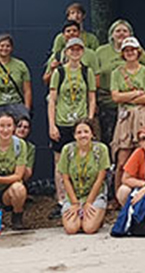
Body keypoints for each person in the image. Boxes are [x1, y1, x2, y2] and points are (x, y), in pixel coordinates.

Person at [47, 37, 97, 217]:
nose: (75, 52)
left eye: (78, 49)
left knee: (83, 159)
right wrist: (52, 125)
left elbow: (92, 98)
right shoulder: (59, 72)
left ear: (83, 51)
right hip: (62, 122)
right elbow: (52, 100)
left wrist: (89, 120)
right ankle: (62, 200)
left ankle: (82, 200)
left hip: (81, 123)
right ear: (66, 51)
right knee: (60, 163)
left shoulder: (87, 72)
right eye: (72, 49)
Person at [110, 37, 145, 195]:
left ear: (138, 52)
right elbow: (115, 97)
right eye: (127, 50)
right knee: (122, 159)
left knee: (144, 154)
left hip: (143, 115)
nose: (130, 53)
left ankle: (143, 193)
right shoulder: (117, 73)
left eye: (133, 50)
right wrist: (136, 93)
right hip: (125, 118)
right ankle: (119, 195)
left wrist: (126, 97)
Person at [95, 19, 145, 145]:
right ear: (111, 34)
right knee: (109, 137)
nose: (121, 33)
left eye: (125, 31)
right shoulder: (101, 51)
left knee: (133, 139)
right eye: (118, 31)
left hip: (134, 104)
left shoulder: (138, 51)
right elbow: (95, 75)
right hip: (107, 102)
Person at [58, 119, 111, 235]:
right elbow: (65, 179)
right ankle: (82, 216)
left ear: (92, 134)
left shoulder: (101, 150)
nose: (83, 135)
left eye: (86, 132)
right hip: (74, 195)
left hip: (94, 195)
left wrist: (89, 202)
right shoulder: (67, 150)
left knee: (89, 228)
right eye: (79, 132)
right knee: (71, 229)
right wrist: (75, 203)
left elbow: (100, 178)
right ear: (74, 135)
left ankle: (97, 215)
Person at [43, 20, 99, 87]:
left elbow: (97, 81)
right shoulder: (57, 56)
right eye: (68, 31)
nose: (71, 33)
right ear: (63, 35)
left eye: (74, 31)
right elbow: (46, 81)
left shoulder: (91, 55)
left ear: (79, 33)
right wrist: (52, 70)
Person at [15, 116, 36, 191]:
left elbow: (28, 174)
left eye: (25, 127)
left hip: (19, 181)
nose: (22, 129)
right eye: (19, 126)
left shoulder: (31, 147)